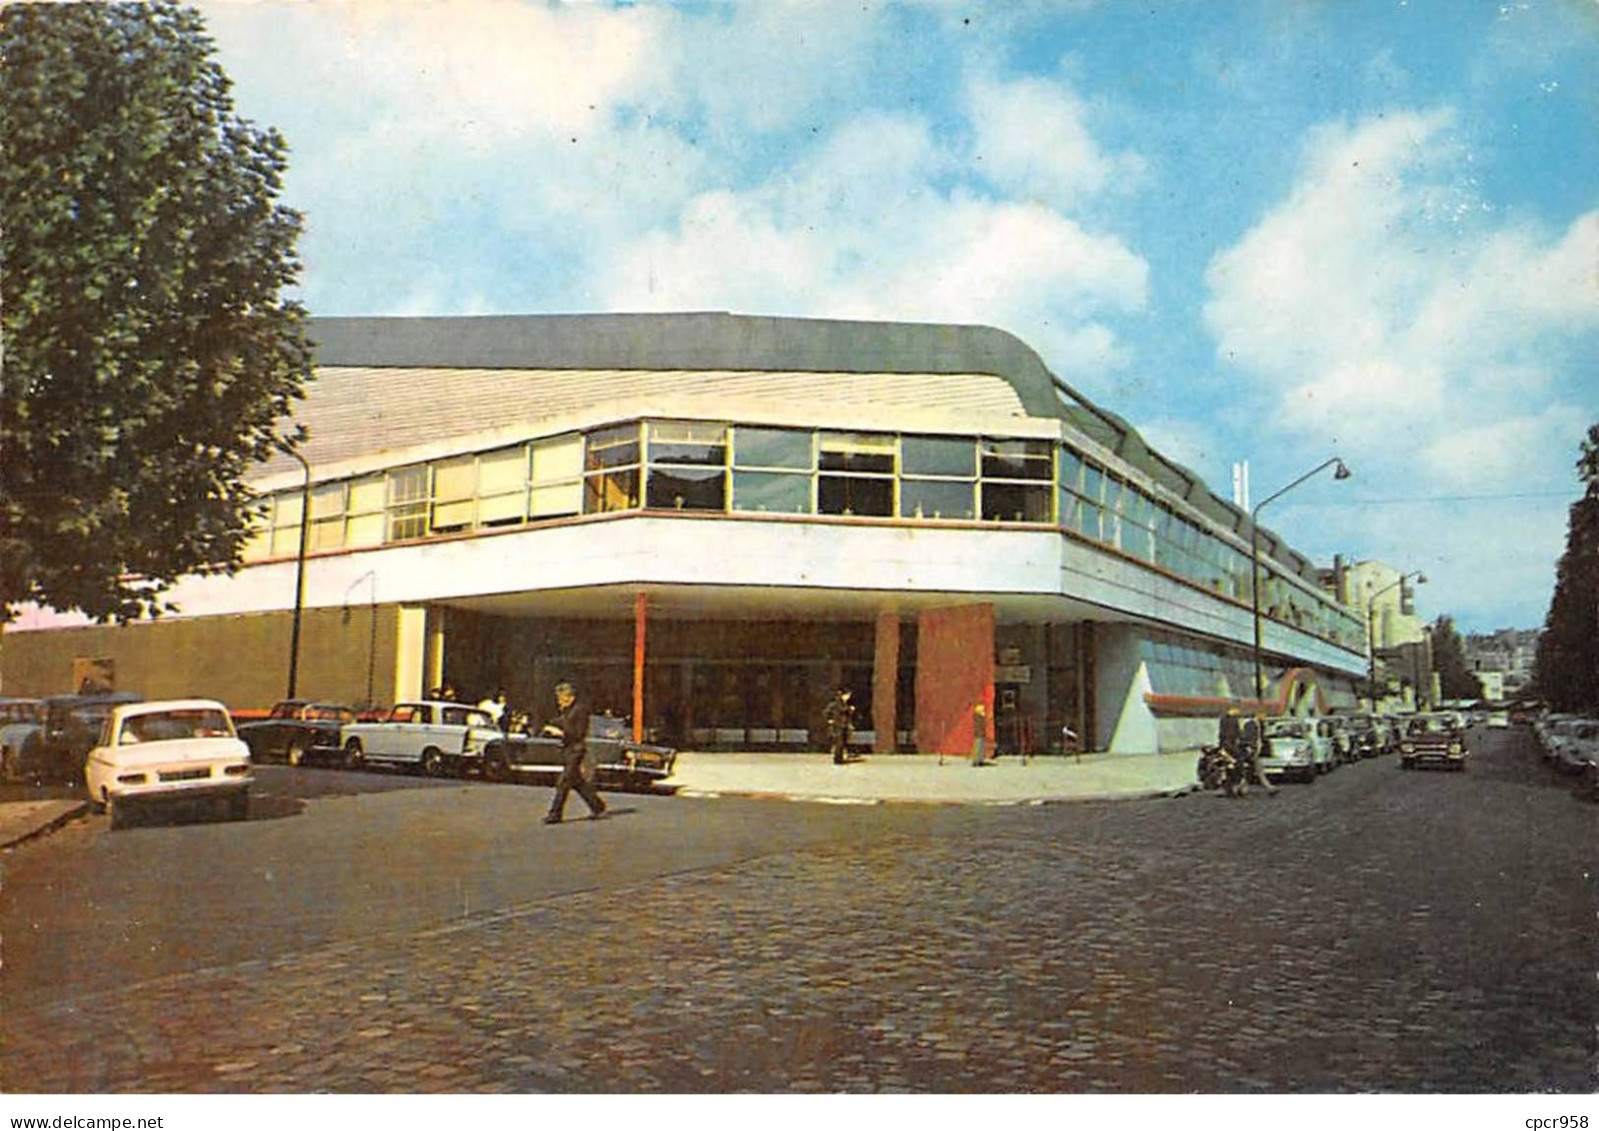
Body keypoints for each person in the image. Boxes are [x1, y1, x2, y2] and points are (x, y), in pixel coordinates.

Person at [541, 679, 607, 824]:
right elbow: (561, 721)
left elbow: (577, 733)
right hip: (568, 749)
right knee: (577, 782)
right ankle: (597, 806)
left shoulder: (580, 710)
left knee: (563, 782)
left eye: (561, 698)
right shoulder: (568, 711)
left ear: (570, 697)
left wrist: (559, 732)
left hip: (576, 750)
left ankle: (555, 814)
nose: (559, 701)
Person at [1239, 711, 1279, 798]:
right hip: (1251, 751)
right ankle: (1269, 788)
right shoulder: (1251, 724)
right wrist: (1249, 748)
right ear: (1258, 715)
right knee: (1257, 770)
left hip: (1255, 751)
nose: (1265, 717)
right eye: (1263, 714)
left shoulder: (1259, 724)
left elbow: (1260, 738)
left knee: (1252, 771)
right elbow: (1248, 737)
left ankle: (1242, 789)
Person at [824, 688, 855, 764]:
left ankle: (840, 758)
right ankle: (837, 759)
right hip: (838, 725)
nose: (848, 697)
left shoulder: (844, 703)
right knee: (839, 742)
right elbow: (829, 711)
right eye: (847, 695)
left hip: (843, 725)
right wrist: (830, 720)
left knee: (843, 742)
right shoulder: (837, 703)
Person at [970, 700, 988, 767]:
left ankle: (980, 759)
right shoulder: (978, 717)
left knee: (981, 746)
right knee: (978, 746)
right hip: (979, 734)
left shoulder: (980, 716)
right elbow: (979, 726)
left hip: (980, 734)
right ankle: (977, 760)